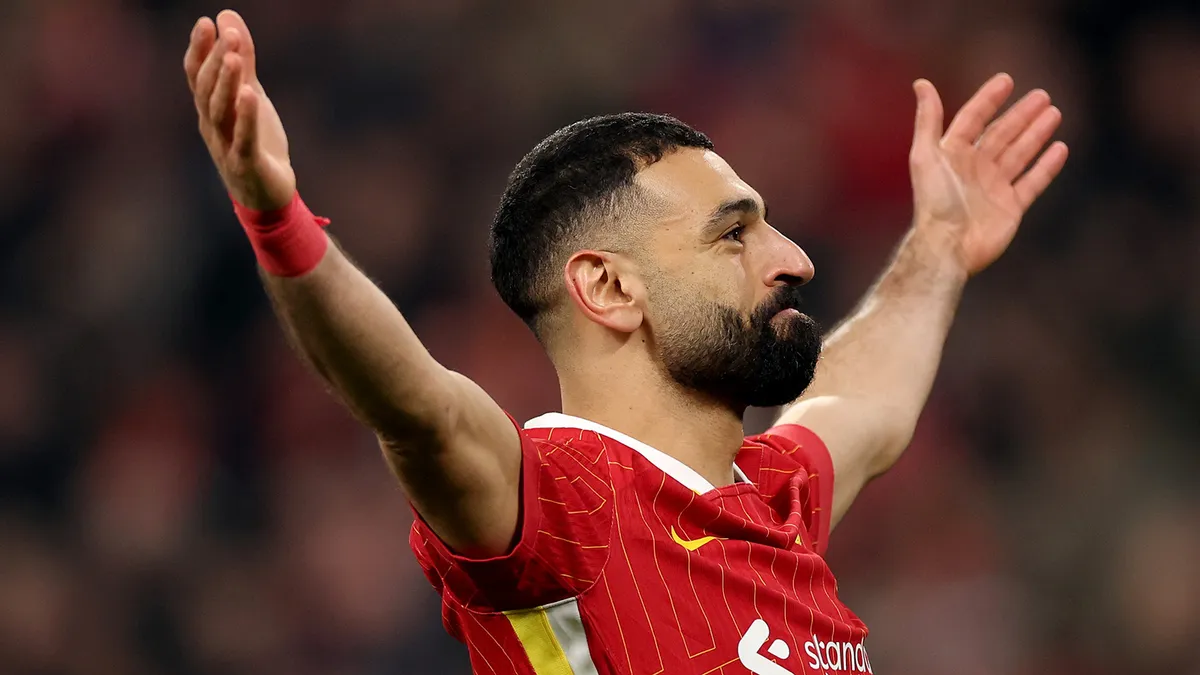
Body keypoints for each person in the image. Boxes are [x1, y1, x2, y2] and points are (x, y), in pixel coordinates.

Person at [183, 10, 1067, 675]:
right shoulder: (560, 501)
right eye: (734, 234)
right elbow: (418, 408)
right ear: (608, 287)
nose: (795, 259)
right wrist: (278, 220)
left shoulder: (774, 498)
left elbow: (862, 395)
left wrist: (938, 248)